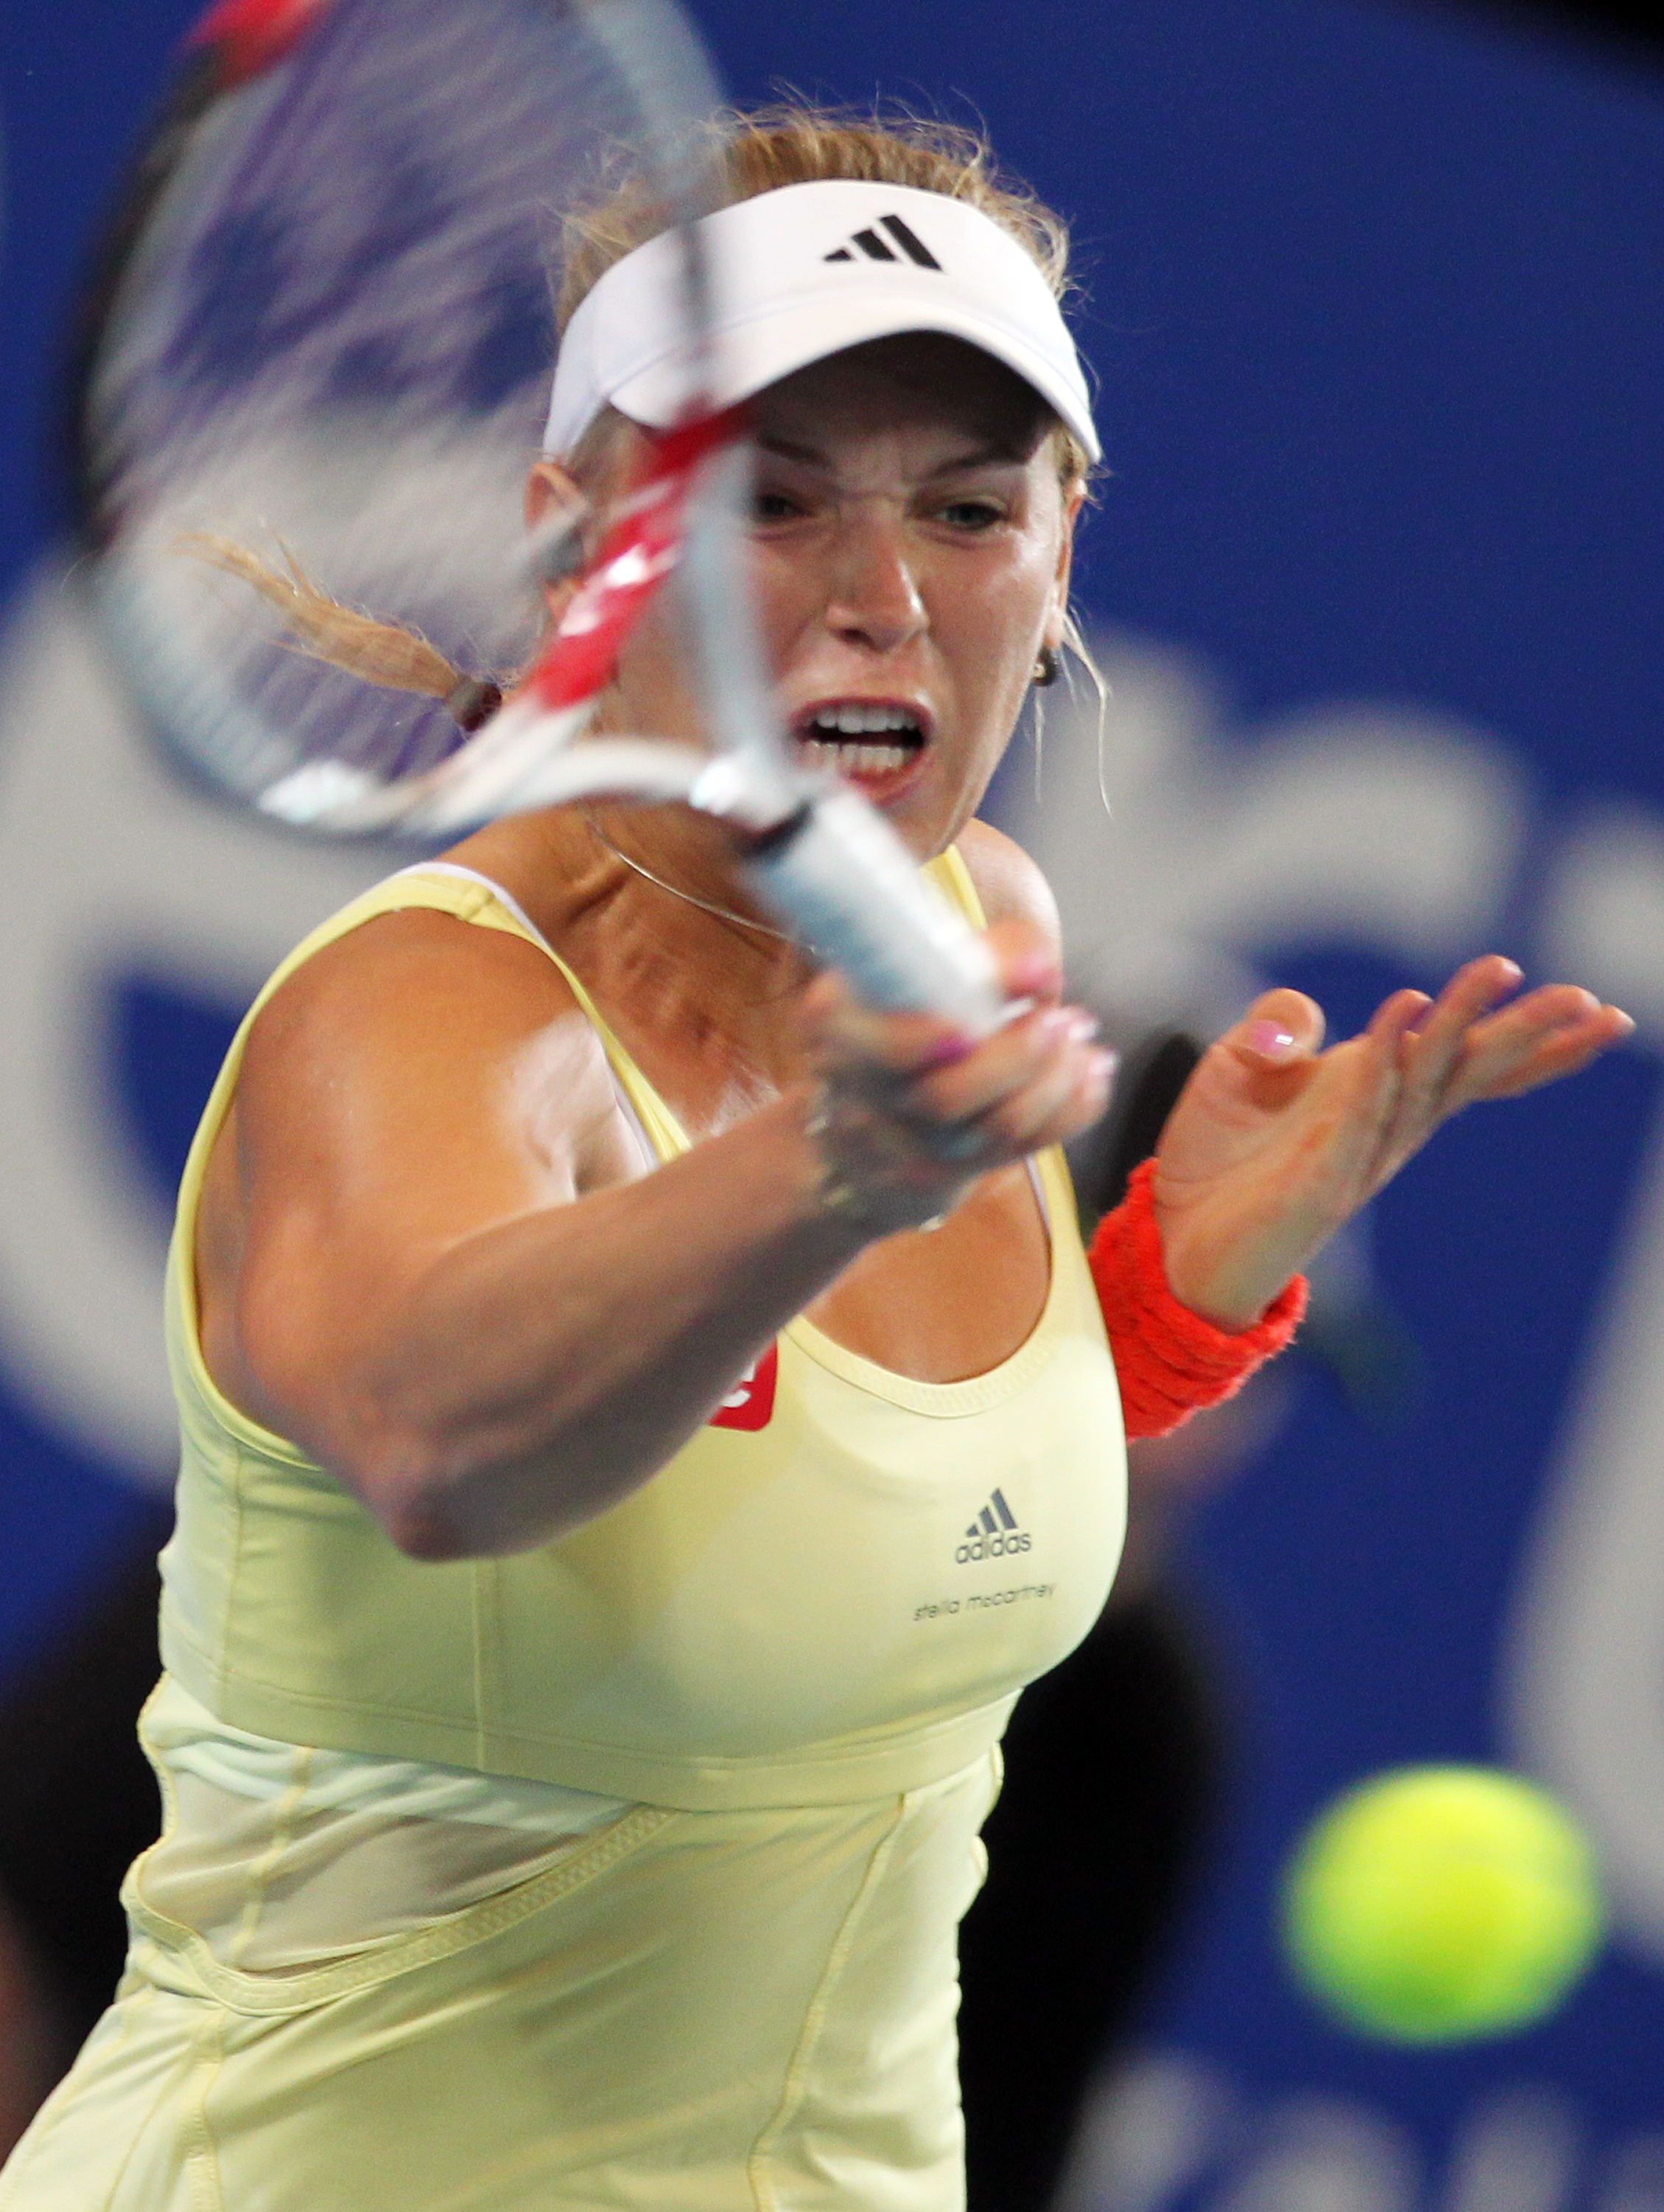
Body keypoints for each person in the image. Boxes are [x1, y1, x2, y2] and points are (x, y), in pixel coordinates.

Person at [0, 111, 1629, 2212]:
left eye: (968, 509)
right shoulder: (426, 1013)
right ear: (580, 542)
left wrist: (1156, 1313)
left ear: (1060, 560)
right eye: (770, 503)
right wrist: (829, 1175)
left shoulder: (985, 925)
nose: (883, 595)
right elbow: (440, 1448)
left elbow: (853, 1531)